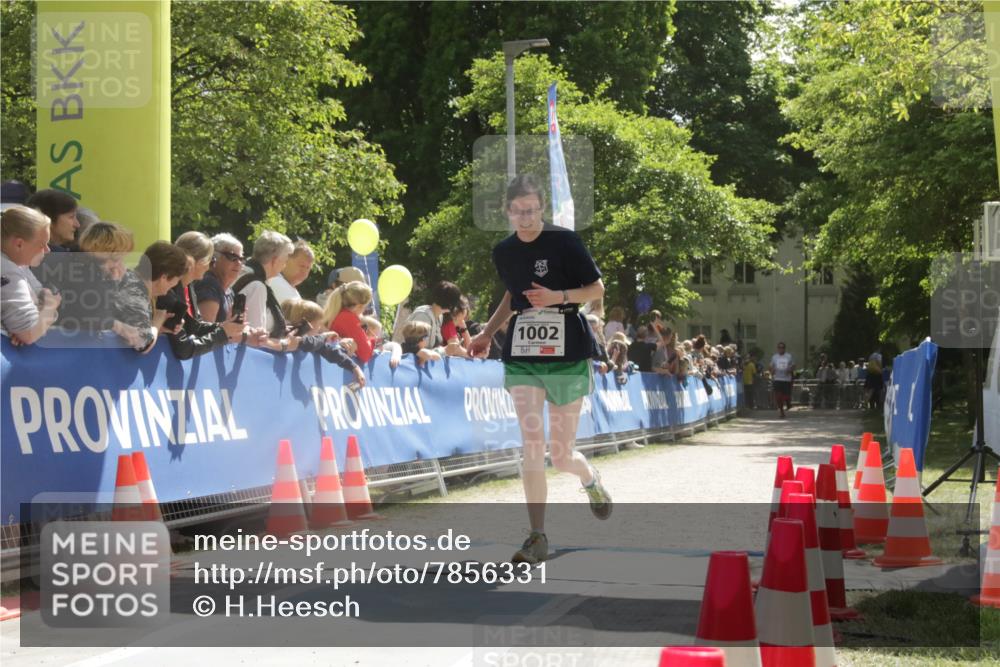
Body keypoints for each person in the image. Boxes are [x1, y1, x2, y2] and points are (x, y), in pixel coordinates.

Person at [468, 174, 612, 565]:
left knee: (561, 456)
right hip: (524, 353)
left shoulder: (565, 241)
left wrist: (557, 297)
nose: (526, 218)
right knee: (532, 443)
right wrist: (486, 333)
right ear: (507, 211)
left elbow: (596, 289)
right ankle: (537, 536)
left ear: (542, 208)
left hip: (567, 352)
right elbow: (512, 296)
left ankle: (589, 479)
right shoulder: (504, 251)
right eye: (518, 212)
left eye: (531, 210)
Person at [161, 231, 248, 360]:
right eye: (211, 260)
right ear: (196, 261)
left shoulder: (188, 286)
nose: (210, 266)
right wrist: (223, 333)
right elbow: (183, 349)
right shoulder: (169, 291)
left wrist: (226, 326)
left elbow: (195, 326)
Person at [115, 241, 190, 353]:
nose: (176, 284)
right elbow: (143, 345)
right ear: (164, 277)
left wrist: (160, 329)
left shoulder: (131, 280)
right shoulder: (135, 289)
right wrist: (157, 321)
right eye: (177, 279)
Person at [0, 206, 60, 345]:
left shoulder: (18, 263)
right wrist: (51, 307)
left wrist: (22, 327)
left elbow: (40, 295)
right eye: (42, 244)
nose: (48, 250)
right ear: (19, 244)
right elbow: (29, 334)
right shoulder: (7, 270)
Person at [232, 231, 299, 350]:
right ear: (274, 260)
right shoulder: (257, 286)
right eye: (285, 261)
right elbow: (256, 339)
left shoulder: (241, 272)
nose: (284, 266)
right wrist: (285, 345)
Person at [282, 298, 368, 385]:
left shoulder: (315, 340)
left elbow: (330, 351)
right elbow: (308, 343)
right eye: (318, 324)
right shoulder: (289, 335)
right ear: (310, 324)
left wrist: (354, 367)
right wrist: (325, 336)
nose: (320, 328)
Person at [194, 233, 244, 323]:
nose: (238, 263)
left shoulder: (228, 290)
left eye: (241, 259)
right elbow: (206, 328)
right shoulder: (208, 284)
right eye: (232, 257)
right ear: (214, 257)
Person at [397, 280, 462, 348]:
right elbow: (415, 347)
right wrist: (444, 350)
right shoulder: (422, 316)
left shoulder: (439, 316)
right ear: (450, 303)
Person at [324, 280, 375, 363]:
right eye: (366, 306)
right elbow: (365, 354)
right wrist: (374, 339)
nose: (365, 310)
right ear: (359, 306)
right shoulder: (348, 318)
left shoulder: (338, 313)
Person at [268, 239, 314, 305]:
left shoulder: (289, 286)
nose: (304, 271)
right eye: (302, 266)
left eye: (308, 268)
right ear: (286, 260)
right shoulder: (275, 281)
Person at [770, 342, 795, 418]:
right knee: (778, 396)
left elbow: (793, 365)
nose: (781, 349)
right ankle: (781, 411)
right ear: (777, 348)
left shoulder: (788, 356)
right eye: (779, 347)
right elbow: (771, 366)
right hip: (777, 379)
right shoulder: (774, 357)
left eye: (782, 347)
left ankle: (788, 403)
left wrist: (790, 369)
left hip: (786, 379)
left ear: (784, 348)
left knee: (786, 396)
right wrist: (772, 370)